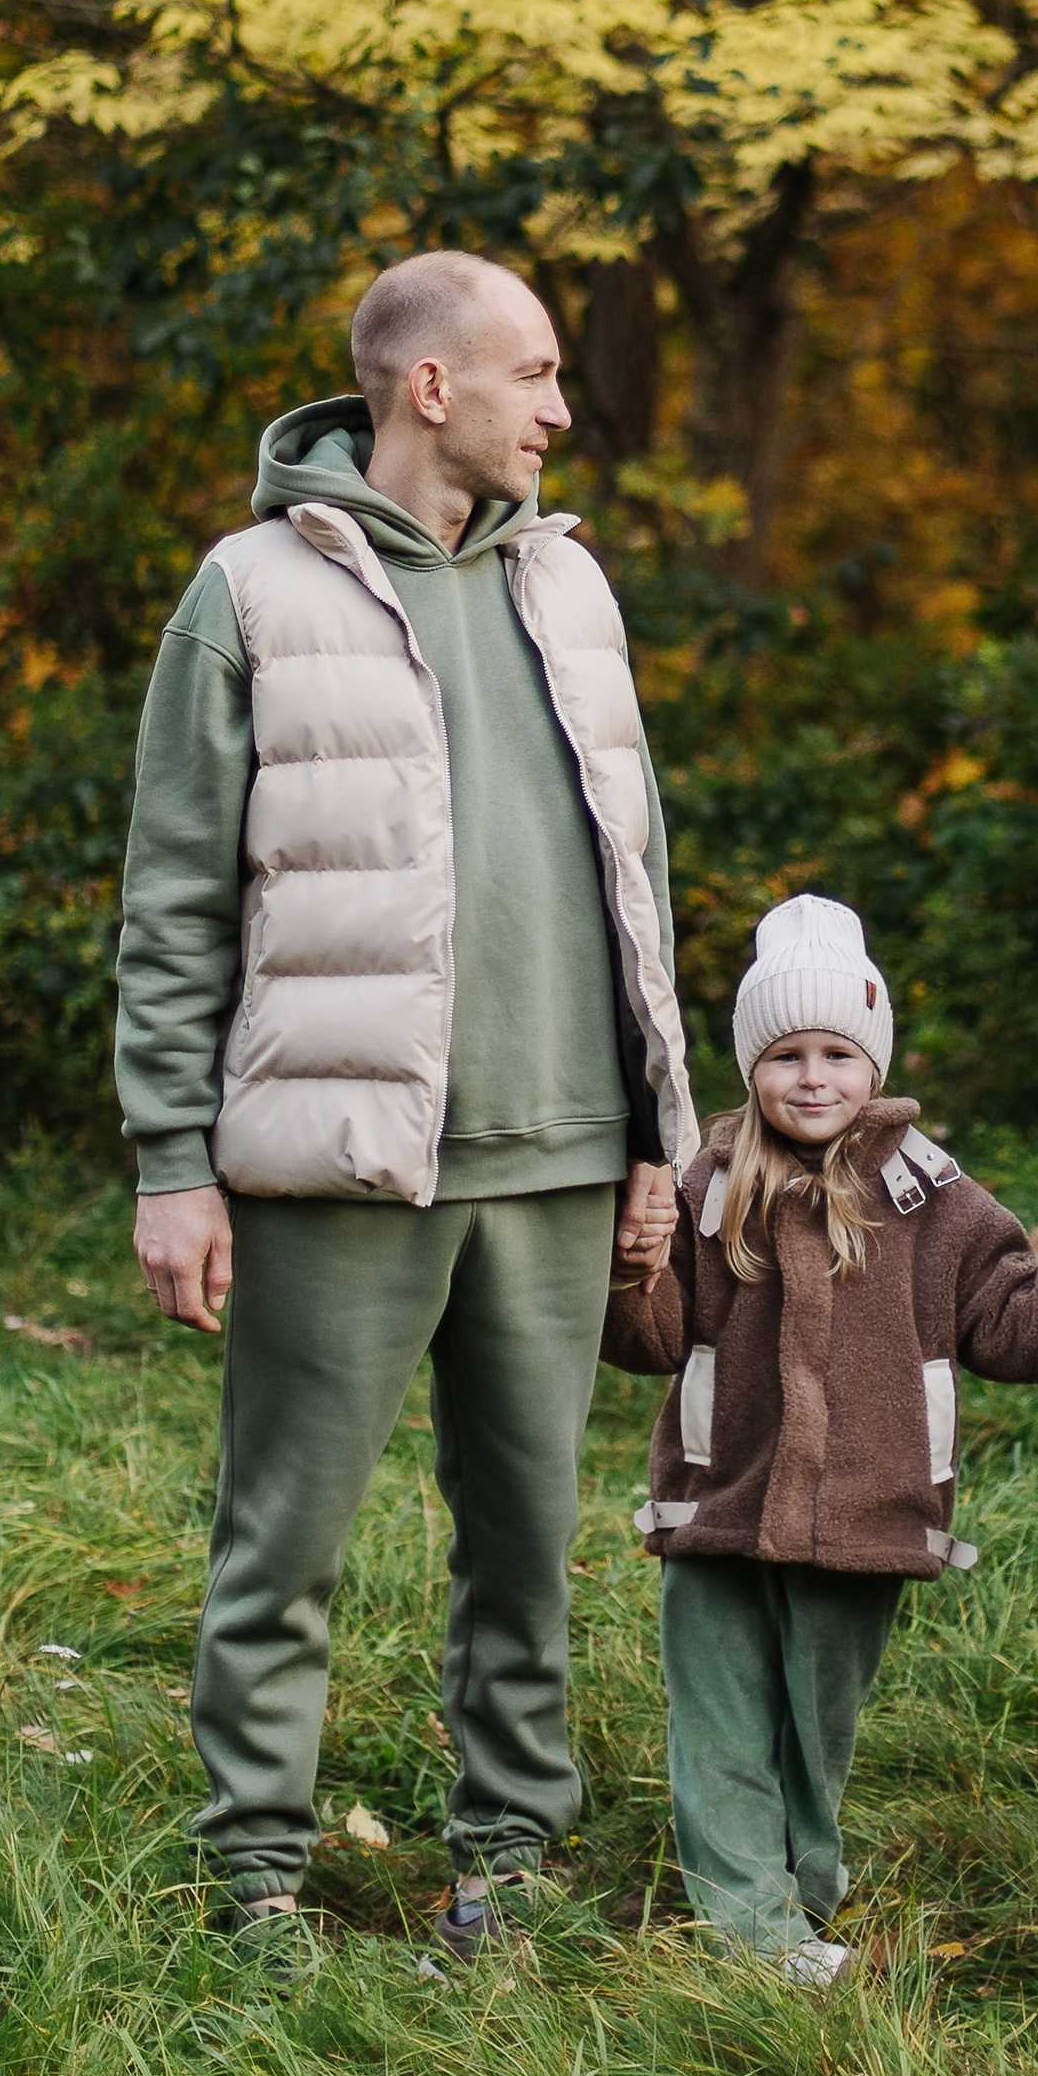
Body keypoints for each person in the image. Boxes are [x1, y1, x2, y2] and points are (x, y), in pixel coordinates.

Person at [114, 250, 697, 1971]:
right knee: (280, 1544)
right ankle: (254, 1882)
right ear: (429, 386)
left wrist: (661, 1136)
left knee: (526, 1553)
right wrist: (172, 1162)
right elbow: (173, 903)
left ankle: (505, 1862)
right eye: (534, 372)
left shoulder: (572, 589)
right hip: (341, 1159)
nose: (562, 408)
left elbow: (636, 877)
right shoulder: (251, 594)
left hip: (563, 1154)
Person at [605, 893, 1038, 1981]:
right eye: (786, 1056)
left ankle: (798, 1892)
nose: (813, 1079)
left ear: (874, 1063)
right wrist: (634, 1259)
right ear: (750, 1068)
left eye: (838, 1054)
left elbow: (1008, 1319)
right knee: (718, 1720)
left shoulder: (931, 1198)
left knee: (816, 1728)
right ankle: (750, 1928)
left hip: (869, 1511)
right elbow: (656, 1338)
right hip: (721, 1499)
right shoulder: (707, 1188)